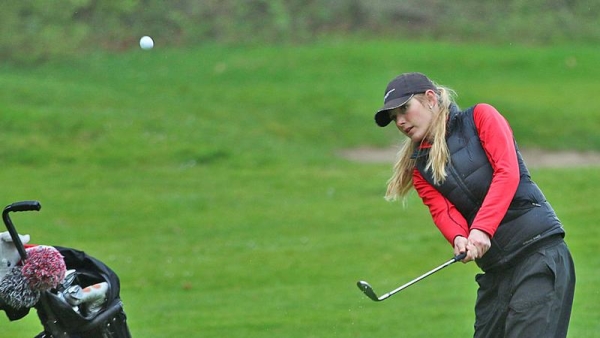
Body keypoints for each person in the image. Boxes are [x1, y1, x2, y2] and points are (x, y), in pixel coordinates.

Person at [373, 72, 575, 337]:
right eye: (393, 117)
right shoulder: (421, 168)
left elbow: (507, 174)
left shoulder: (481, 117)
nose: (399, 121)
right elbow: (443, 211)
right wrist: (459, 237)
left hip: (538, 254)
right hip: (497, 272)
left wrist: (481, 229)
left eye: (404, 109)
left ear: (430, 99)